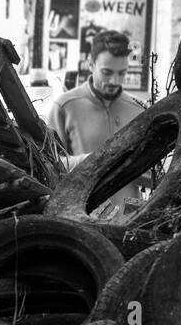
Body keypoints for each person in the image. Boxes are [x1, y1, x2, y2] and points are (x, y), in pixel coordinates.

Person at [45, 30, 147, 217]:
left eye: (122, 73)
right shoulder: (65, 107)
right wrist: (91, 161)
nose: (115, 81)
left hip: (129, 221)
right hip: (80, 219)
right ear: (91, 65)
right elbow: (48, 166)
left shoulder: (139, 109)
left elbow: (151, 173)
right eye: (107, 73)